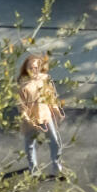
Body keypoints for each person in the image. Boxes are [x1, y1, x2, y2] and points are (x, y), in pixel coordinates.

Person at [16, 51, 67, 181]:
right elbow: (21, 107)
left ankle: (57, 169)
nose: (34, 70)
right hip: (31, 119)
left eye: (36, 67)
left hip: (45, 115)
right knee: (30, 144)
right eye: (30, 67)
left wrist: (56, 110)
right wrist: (28, 120)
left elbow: (50, 96)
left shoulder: (44, 79)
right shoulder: (22, 85)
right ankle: (33, 170)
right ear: (25, 69)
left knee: (54, 141)